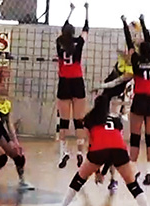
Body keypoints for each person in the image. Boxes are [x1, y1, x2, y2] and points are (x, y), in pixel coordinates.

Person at [51, 94, 150, 206]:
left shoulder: (89, 119)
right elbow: (113, 146)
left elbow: (91, 145)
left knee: (78, 180)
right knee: (133, 185)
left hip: (98, 150)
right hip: (119, 150)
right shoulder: (117, 120)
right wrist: (104, 171)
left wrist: (97, 172)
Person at [123, 14, 150, 186]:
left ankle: (134, 170)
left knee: (135, 137)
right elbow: (148, 39)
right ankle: (149, 172)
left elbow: (129, 44)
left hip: (139, 100)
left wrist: (124, 24)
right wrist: (143, 22)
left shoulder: (136, 60)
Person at [0, 80, 34, 191]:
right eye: (1, 86)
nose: (4, 88)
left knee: (18, 156)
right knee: (2, 157)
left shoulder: (7, 103)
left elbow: (9, 123)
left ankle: (22, 180)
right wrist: (9, 141)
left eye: (5, 86)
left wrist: (16, 142)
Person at [94, 49, 134, 194]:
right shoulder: (122, 60)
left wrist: (100, 86)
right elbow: (122, 49)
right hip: (104, 104)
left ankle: (112, 178)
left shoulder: (130, 71)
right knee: (99, 141)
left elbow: (113, 84)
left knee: (112, 144)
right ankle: (96, 172)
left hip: (115, 105)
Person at [56, 2, 89, 169]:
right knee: (79, 121)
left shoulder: (59, 42)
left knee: (64, 121)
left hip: (64, 82)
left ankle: (64, 152)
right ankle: (80, 153)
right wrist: (87, 11)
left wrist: (70, 11)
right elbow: (86, 29)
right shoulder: (79, 43)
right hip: (77, 81)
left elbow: (64, 28)